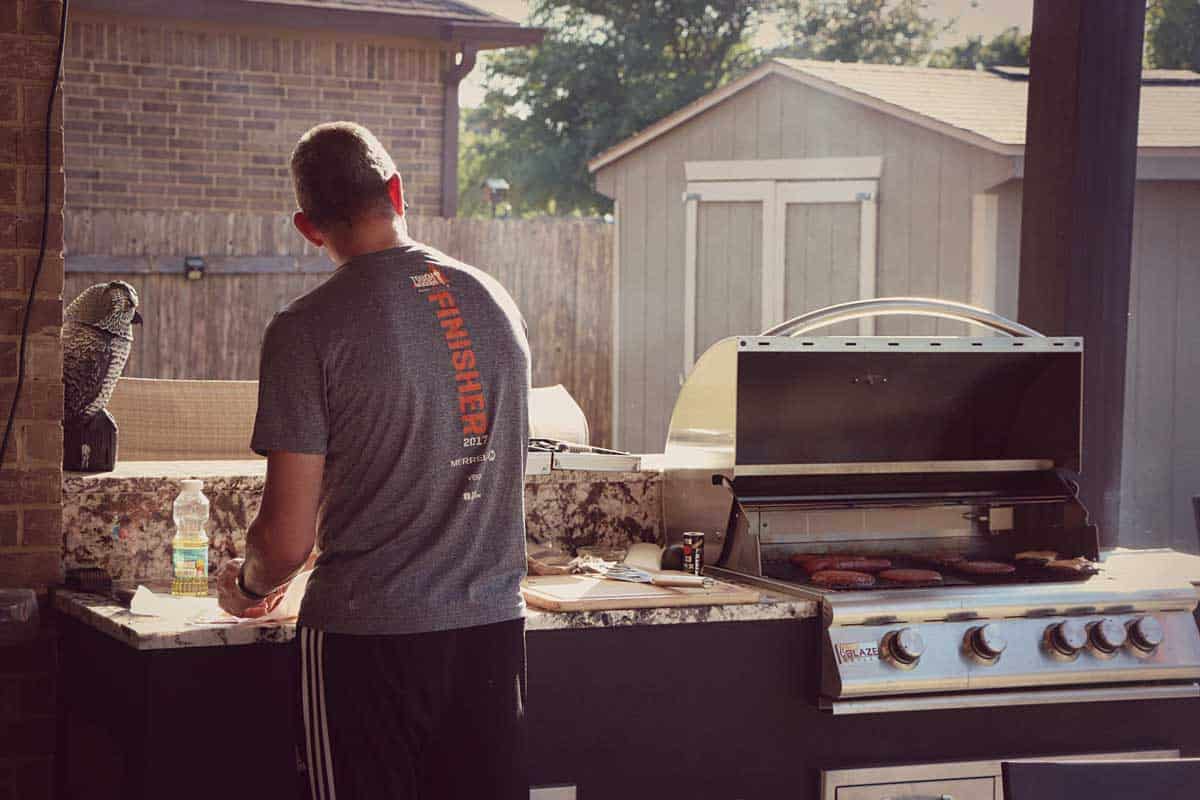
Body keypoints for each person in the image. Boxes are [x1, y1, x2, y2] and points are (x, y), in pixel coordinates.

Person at [216, 121, 531, 799]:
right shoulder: (494, 299)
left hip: (368, 641)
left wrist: (245, 586)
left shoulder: (306, 329)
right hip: (491, 632)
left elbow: (286, 542)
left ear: (308, 228)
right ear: (396, 190)